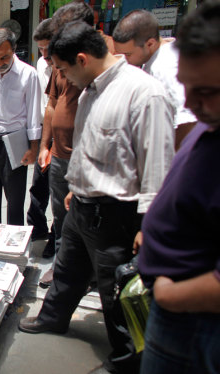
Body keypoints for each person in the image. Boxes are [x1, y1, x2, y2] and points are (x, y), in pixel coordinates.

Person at [18, 21, 174, 374]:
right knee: (67, 270)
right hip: (82, 204)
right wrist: (76, 185)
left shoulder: (144, 93)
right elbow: (89, 148)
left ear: (82, 59)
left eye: (61, 68)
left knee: (115, 292)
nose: (61, 77)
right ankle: (53, 318)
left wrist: (150, 225)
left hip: (116, 213)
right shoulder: (91, 90)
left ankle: (126, 359)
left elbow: (158, 166)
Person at [137, 2, 220, 372]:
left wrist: (171, 296)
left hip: (195, 324)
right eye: (186, 86)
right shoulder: (211, 123)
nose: (189, 103)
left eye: (205, 91)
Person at [36, 2, 95, 288]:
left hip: (89, 157)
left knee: (90, 223)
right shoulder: (59, 63)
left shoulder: (102, 60)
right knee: (61, 218)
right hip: (59, 153)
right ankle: (62, 271)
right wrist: (45, 145)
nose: (50, 53)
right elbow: (52, 103)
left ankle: (89, 276)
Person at [0, 27, 42, 231]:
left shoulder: (28, 75)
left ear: (14, 50)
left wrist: (33, 147)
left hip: (15, 141)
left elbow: (33, 115)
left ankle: (13, 246)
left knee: (14, 201)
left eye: (4, 57)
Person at [113, 9, 197, 150]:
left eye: (128, 54)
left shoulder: (164, 66)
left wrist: (171, 158)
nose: (124, 60)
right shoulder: (158, 57)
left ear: (150, 44)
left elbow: (187, 119)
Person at [26, 18, 55, 258]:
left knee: (60, 189)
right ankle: (37, 229)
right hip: (47, 130)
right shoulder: (41, 65)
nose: (44, 54)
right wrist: (40, 143)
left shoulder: (67, 66)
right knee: (39, 184)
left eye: (48, 48)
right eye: (41, 49)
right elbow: (45, 105)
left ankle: (57, 237)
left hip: (66, 135)